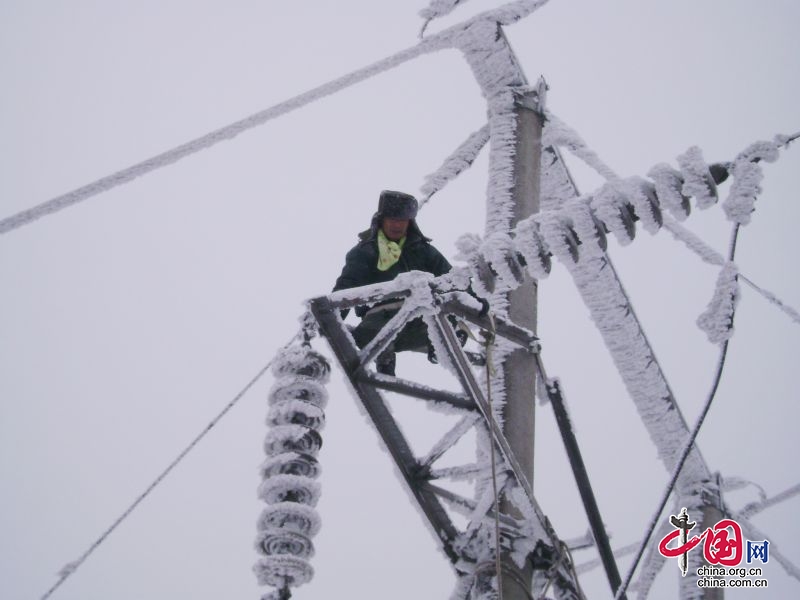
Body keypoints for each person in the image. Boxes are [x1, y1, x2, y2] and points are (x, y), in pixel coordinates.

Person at [332, 190, 455, 376]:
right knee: (372, 334)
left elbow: (451, 278)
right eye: (392, 219)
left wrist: (478, 303)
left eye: (402, 220)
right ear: (381, 220)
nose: (397, 225)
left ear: (410, 222)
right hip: (379, 321)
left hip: (418, 320)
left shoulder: (423, 251)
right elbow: (347, 286)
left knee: (448, 316)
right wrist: (333, 320)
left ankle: (443, 347)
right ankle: (385, 365)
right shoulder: (364, 252)